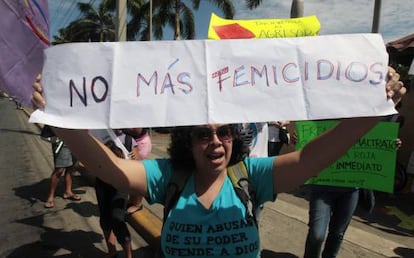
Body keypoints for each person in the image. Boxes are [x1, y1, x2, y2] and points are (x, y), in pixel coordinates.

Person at [32, 68, 405, 258]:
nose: (215, 142)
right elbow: (110, 170)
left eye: (224, 132)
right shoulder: (168, 177)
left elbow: (312, 157)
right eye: (203, 134)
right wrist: (62, 120)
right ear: (186, 141)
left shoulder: (251, 176)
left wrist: (374, 111)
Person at [303, 139, 403, 257]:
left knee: (337, 233)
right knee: (317, 234)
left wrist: (388, 146)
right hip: (322, 188)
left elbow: (373, 146)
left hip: (350, 191)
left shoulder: (362, 123)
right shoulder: (320, 122)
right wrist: (301, 142)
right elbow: (311, 140)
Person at [90, 129, 140, 258]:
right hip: (102, 183)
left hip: (120, 186)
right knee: (105, 219)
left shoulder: (128, 139)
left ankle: (129, 255)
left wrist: (134, 158)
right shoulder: (96, 135)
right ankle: (111, 251)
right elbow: (90, 161)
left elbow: (138, 164)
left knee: (118, 220)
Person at [44, 135, 81, 208]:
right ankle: (50, 197)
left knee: (71, 167)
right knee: (59, 169)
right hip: (61, 142)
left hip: (76, 141)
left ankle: (68, 192)